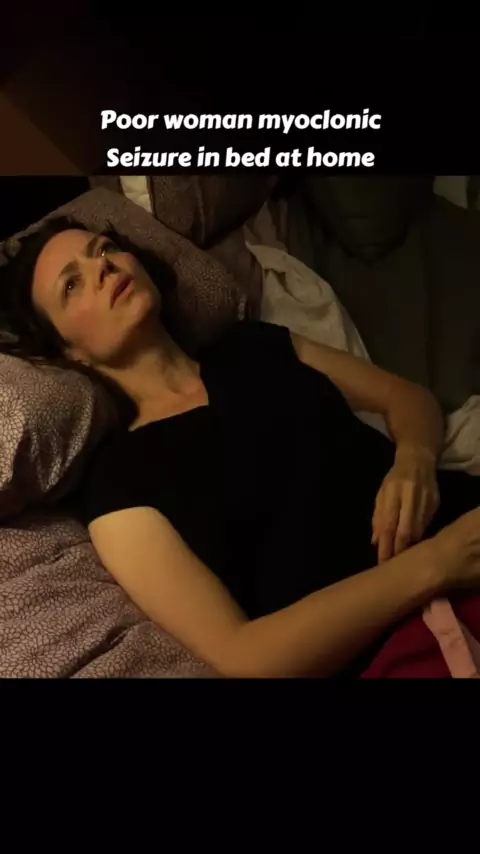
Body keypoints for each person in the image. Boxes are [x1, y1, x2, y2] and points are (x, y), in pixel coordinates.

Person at [3, 215, 480, 679]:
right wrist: (436, 564)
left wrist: (414, 459)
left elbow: (406, 398)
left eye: (104, 249)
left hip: (463, 523)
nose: (103, 267)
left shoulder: (253, 345)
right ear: (70, 352)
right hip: (399, 639)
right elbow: (243, 655)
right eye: (72, 285)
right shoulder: (118, 488)